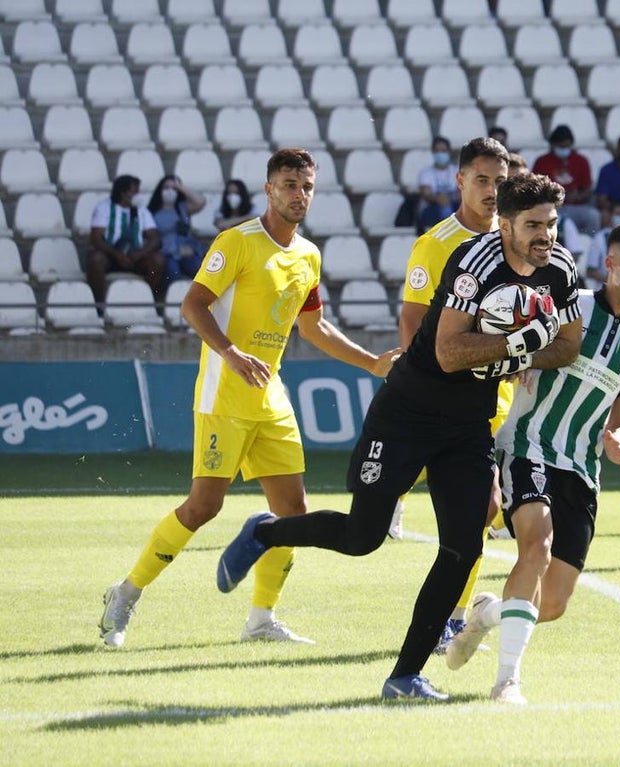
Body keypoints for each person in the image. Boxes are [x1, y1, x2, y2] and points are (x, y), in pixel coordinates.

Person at [216, 172, 584, 702]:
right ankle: (267, 531)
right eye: (533, 225)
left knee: (461, 548)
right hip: (407, 412)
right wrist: (515, 343)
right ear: (504, 223)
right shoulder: (474, 261)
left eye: (551, 222)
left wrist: (521, 350)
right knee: (363, 537)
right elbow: (447, 353)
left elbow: (568, 345)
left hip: (467, 426)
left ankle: (404, 675)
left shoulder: (562, 268)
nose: (545, 235)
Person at [98, 148, 397, 649]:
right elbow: (193, 304)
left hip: (271, 397)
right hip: (224, 395)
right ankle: (125, 593)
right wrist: (232, 353)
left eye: (305, 186)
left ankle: (261, 618)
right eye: (288, 184)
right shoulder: (237, 241)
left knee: (294, 514)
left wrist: (370, 363)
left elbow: (314, 326)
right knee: (203, 508)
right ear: (268, 189)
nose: (297, 194)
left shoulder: (308, 254)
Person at [445, 219, 620, 705]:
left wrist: (615, 436)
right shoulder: (569, 306)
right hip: (527, 447)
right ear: (610, 263)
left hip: (583, 471)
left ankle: (484, 615)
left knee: (553, 605)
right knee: (535, 548)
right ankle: (507, 681)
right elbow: (509, 346)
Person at [394, 136, 512, 650]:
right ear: (460, 180)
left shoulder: (513, 239)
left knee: (484, 507)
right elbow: (413, 321)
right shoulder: (436, 243)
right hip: (445, 395)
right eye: (481, 180)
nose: (491, 191)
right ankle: (394, 488)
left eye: (499, 182)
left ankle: (452, 618)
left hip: (493, 395)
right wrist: (429, 387)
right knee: (363, 530)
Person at [86, 174, 165, 310]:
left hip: (135, 257)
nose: (137, 195)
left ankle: (149, 301)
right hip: (110, 255)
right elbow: (96, 239)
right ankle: (99, 305)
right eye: (133, 192)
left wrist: (139, 254)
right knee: (95, 260)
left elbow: (155, 238)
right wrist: (117, 255)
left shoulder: (142, 210)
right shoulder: (103, 208)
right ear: (122, 193)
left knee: (158, 261)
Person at [532, 124, 599, 234]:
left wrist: (578, 196)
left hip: (576, 206)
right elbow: (535, 189)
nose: (564, 149)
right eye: (560, 147)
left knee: (593, 216)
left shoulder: (581, 161)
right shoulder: (542, 162)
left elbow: (587, 189)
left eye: (566, 146)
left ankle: (589, 246)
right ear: (553, 145)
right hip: (553, 207)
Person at [147, 174, 207, 284]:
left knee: (199, 269)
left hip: (187, 251)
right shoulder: (152, 212)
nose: (170, 191)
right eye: (166, 188)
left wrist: (179, 186)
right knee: (172, 271)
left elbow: (200, 201)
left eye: (173, 188)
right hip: (167, 252)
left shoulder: (183, 208)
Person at [583, 201, 620, 290]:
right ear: (611, 216)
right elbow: (590, 271)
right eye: (619, 214)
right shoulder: (600, 238)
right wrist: (615, 281)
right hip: (605, 290)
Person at [417, 136, 461, 233]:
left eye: (443, 151)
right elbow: (426, 194)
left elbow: (461, 192)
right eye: (437, 151)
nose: (440, 154)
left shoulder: (457, 171)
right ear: (433, 152)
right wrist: (438, 198)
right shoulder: (425, 173)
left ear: (449, 152)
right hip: (434, 207)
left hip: (454, 205)